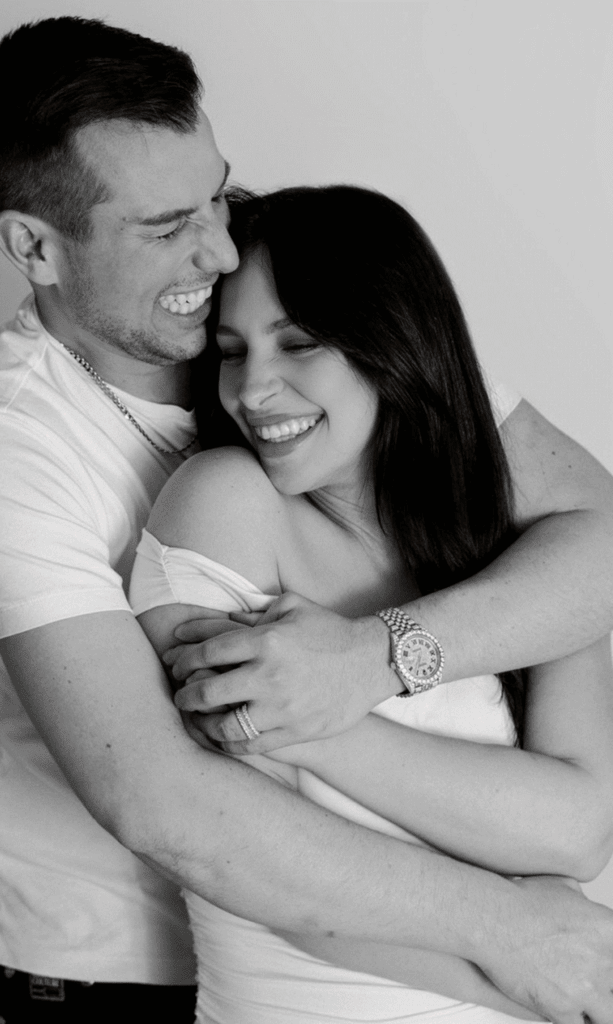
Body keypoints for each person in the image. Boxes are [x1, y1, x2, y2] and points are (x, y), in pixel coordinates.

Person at [0, 17, 613, 1022]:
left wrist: (372, 660)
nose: (215, 243)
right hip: (108, 971)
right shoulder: (6, 437)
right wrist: (504, 930)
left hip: (398, 956)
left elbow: (591, 531)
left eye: (215, 192)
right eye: (166, 225)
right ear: (33, 244)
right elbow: (167, 803)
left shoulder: (290, 308)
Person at [130, 184, 613, 1020]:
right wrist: (518, 958)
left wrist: (334, 695)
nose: (251, 389)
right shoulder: (224, 504)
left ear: (392, 343)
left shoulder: (521, 543)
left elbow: (571, 830)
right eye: (232, 350)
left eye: (300, 343)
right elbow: (252, 857)